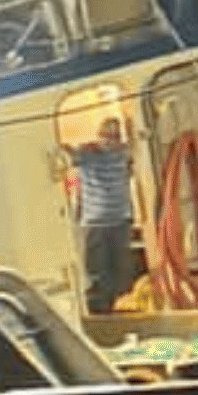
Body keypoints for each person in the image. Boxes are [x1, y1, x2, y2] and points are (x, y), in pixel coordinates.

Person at [72, 116, 147, 313]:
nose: (109, 140)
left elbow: (67, 156)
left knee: (115, 270)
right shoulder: (114, 154)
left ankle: (116, 309)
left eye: (113, 136)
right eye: (107, 135)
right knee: (102, 271)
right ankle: (106, 310)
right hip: (105, 222)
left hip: (114, 221)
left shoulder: (94, 155)